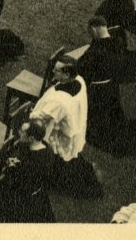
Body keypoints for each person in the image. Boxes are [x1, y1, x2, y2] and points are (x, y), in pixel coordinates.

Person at [29, 55, 103, 198]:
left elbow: (40, 117)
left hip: (64, 135)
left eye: (56, 71)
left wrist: (32, 113)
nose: (53, 72)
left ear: (66, 74)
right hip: (74, 126)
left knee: (63, 167)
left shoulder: (60, 102)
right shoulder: (79, 80)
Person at [78, 16, 136, 157]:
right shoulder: (117, 41)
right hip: (111, 86)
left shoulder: (96, 51)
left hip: (98, 90)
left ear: (94, 29)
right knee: (113, 114)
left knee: (98, 121)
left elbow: (82, 69)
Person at [0, 120, 57, 222]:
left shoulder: (33, 165)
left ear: (31, 138)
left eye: (22, 132)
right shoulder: (45, 146)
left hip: (25, 196)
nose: (19, 132)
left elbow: (18, 179)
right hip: (33, 186)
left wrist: (11, 165)